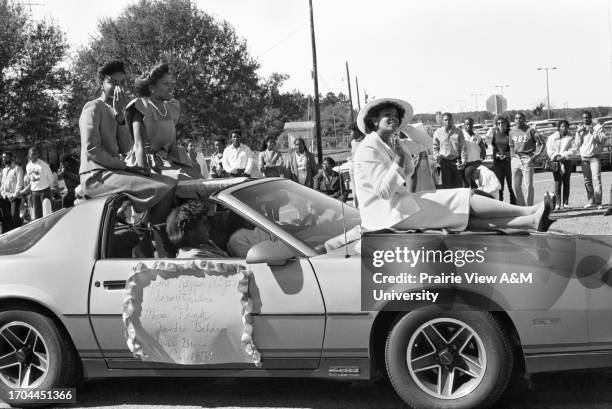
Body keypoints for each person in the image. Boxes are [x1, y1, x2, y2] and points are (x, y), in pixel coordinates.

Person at [353, 98, 555, 233]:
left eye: (396, 116)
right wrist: (398, 160)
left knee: (460, 218)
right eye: (388, 115)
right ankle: (528, 211)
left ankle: (531, 221)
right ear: (373, 120)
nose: (394, 119)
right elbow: (384, 192)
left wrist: (403, 126)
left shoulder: (393, 143)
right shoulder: (368, 148)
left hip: (399, 209)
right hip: (386, 215)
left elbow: (425, 144)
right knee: (465, 197)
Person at [79, 60, 177, 228]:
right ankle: (156, 243)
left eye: (123, 83)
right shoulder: (93, 107)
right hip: (95, 176)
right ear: (101, 83)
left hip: (114, 171)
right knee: (163, 188)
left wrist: (119, 117)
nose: (119, 88)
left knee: (171, 183)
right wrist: (125, 167)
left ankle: (145, 238)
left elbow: (125, 147)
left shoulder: (116, 109)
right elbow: (92, 150)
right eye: (113, 83)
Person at [125, 63, 201, 180]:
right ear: (152, 88)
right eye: (166, 84)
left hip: (168, 163)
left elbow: (173, 147)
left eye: (171, 84)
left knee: (196, 183)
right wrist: (144, 176)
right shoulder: (140, 106)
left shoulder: (171, 107)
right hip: (145, 163)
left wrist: (189, 169)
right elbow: (139, 145)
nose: (171, 88)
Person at [510, 112, 545, 206]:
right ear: (514, 120)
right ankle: (521, 207)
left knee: (528, 185)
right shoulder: (512, 131)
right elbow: (511, 145)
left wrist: (535, 156)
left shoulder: (531, 130)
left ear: (524, 119)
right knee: (515, 186)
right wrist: (512, 156)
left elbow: (542, 143)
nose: (518, 120)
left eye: (520, 118)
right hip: (515, 159)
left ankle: (529, 207)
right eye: (516, 118)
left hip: (527, 159)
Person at [574, 110, 606, 209]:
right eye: (583, 118)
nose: (585, 119)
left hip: (594, 157)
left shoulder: (597, 127)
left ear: (590, 118)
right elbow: (577, 144)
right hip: (584, 158)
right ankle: (590, 201)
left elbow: (603, 139)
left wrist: (593, 132)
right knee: (587, 181)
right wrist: (578, 132)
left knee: (596, 180)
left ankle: (598, 202)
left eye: (587, 117)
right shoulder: (580, 129)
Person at [546, 120, 576, 210]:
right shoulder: (552, 137)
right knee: (557, 182)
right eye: (562, 126)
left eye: (566, 126)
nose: (564, 128)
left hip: (567, 161)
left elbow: (574, 149)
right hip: (556, 162)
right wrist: (556, 155)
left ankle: (566, 203)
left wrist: (565, 156)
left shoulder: (571, 137)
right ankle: (558, 204)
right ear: (558, 127)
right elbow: (549, 148)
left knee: (566, 182)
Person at [432, 113, 466, 189]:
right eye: (446, 120)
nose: (448, 121)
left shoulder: (459, 132)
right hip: (444, 162)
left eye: (449, 119)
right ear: (442, 121)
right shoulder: (438, 132)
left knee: (458, 186)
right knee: (447, 187)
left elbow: (462, 147)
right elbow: (435, 147)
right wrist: (436, 158)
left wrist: (463, 161)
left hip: (456, 161)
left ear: (452, 120)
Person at [21, 147, 54, 220]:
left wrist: (51, 189)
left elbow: (51, 178)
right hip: (35, 193)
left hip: (45, 191)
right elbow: (31, 180)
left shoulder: (44, 165)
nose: (35, 155)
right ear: (29, 155)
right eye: (33, 154)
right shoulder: (28, 166)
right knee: (37, 215)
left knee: (47, 214)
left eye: (36, 154)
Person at [490, 115, 517, 204]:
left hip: (509, 163)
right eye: (498, 123)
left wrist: (506, 155)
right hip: (498, 164)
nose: (500, 125)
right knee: (499, 186)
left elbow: (515, 148)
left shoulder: (511, 133)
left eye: (502, 123)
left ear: (506, 123)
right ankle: (500, 205)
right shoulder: (495, 134)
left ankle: (513, 205)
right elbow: (494, 148)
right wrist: (497, 155)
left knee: (511, 186)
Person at [0, 151, 24, 231]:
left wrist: (14, 195)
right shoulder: (4, 170)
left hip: (14, 197)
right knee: (7, 218)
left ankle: (20, 224)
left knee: (14, 216)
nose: (4, 159)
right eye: (3, 157)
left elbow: (19, 184)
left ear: (11, 158)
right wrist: (2, 193)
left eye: (6, 157)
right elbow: (3, 183)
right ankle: (11, 232)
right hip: (5, 196)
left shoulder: (17, 169)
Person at [462, 117, 487, 188]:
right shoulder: (461, 136)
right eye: (467, 124)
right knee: (466, 185)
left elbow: (483, 149)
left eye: (470, 124)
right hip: (466, 164)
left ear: (473, 125)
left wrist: (481, 159)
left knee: (477, 185)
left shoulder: (477, 136)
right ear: (464, 125)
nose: (469, 126)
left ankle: (477, 198)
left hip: (477, 163)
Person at [348, 123, 365, 207]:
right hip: (353, 171)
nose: (350, 133)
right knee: (354, 194)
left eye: (351, 131)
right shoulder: (352, 143)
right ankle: (356, 210)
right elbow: (353, 155)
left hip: (363, 171)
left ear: (357, 131)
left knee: (363, 193)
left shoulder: (366, 141)